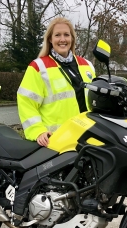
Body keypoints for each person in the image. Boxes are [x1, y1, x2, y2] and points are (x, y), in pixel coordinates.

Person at [17, 17, 95, 147]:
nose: (62, 39)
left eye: (66, 35)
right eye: (57, 35)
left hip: (87, 138)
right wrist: (37, 131)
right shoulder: (38, 67)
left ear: (72, 38)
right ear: (50, 39)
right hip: (56, 141)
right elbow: (26, 103)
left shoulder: (87, 65)